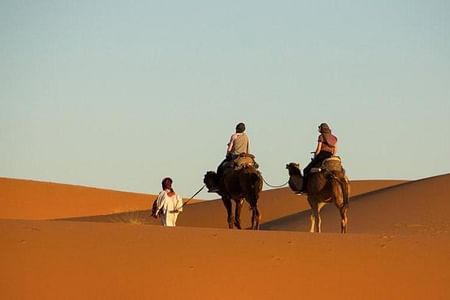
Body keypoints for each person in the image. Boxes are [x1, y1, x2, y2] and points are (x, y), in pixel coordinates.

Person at [208, 122, 250, 192]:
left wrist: (227, 155)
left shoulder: (234, 136)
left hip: (235, 156)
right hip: (245, 156)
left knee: (220, 167)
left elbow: (230, 149)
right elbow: (247, 147)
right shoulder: (246, 136)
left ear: (236, 129)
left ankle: (217, 186)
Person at [300, 123, 338, 193]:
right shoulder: (334, 138)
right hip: (330, 155)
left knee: (306, 170)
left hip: (321, 155)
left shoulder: (321, 137)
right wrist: (332, 156)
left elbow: (318, 149)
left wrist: (315, 156)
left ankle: (304, 189)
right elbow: (335, 149)